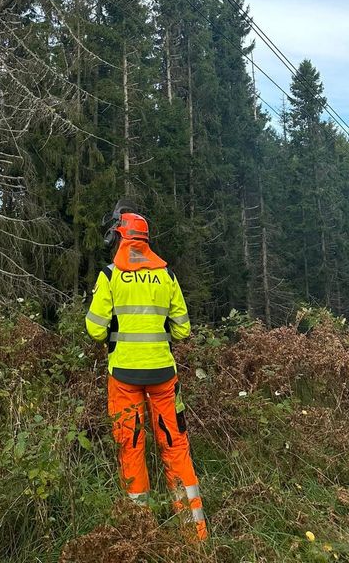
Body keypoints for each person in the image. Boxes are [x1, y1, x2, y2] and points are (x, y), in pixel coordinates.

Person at [85, 199, 207, 541]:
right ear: (144, 239)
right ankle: (194, 534)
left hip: (123, 375)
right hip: (164, 377)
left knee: (131, 446)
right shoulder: (166, 275)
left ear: (120, 237)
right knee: (175, 445)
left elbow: (95, 330)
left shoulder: (110, 276)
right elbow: (183, 329)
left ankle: (141, 532)